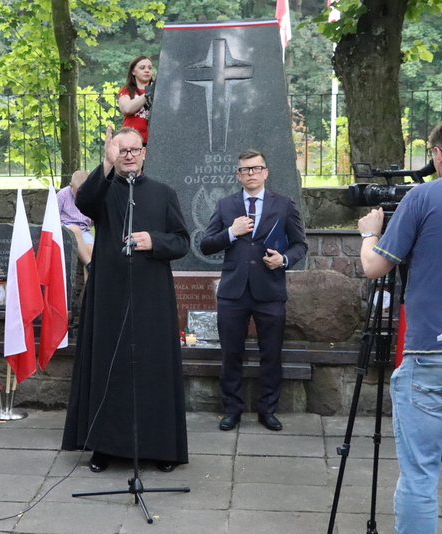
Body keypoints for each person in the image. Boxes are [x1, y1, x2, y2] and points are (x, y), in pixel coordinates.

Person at [62, 125, 190, 473]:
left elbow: (182, 241)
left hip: (152, 298)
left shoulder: (163, 193)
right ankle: (103, 447)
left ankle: (161, 448)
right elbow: (83, 202)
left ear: (144, 153)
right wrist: (104, 165)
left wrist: (155, 242)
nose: (129, 155)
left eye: (135, 150)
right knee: (108, 368)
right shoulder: (103, 191)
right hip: (109, 295)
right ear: (114, 154)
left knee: (153, 369)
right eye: (122, 151)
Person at [357, 121, 442, 534]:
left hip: (431, 355)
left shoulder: (424, 197)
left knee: (419, 475)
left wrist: (370, 234)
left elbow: (376, 266)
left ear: (439, 155)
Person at [200, 149, 308, 432]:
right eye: (245, 170)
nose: (251, 173)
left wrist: (283, 260)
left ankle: (267, 410)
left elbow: (300, 245)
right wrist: (232, 232)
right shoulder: (225, 206)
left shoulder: (284, 205)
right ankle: (232, 410)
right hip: (233, 292)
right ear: (238, 175)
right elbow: (206, 244)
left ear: (265, 172)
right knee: (230, 354)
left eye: (256, 168)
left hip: (270, 291)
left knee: (271, 354)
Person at [57, 169, 94, 271]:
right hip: (65, 228)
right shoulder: (62, 195)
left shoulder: (92, 196)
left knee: (91, 251)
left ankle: (89, 286)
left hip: (84, 230)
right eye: (77, 192)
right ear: (71, 186)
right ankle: (88, 263)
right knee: (75, 229)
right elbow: (54, 216)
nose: (80, 195)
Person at [118, 55, 154, 144]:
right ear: (133, 71)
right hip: (131, 141)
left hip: (153, 140)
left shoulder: (160, 90)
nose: (147, 70)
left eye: (150, 68)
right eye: (142, 68)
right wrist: (147, 93)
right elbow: (127, 109)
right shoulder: (126, 90)